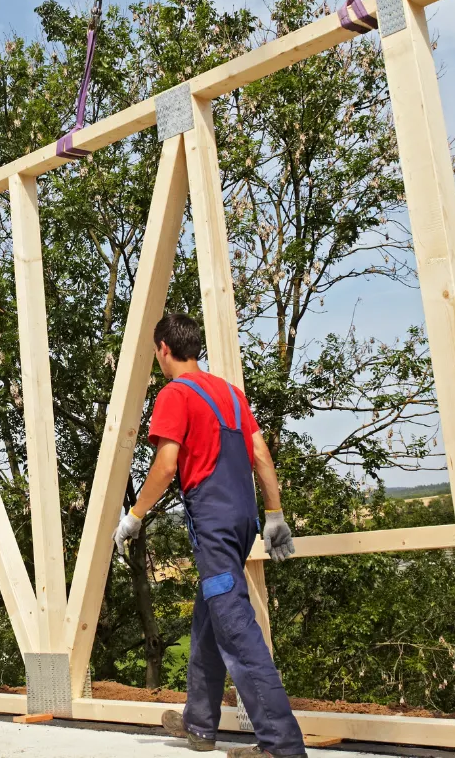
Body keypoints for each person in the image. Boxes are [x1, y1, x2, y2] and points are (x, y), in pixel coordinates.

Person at [113, 314, 306, 758]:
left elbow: (165, 466)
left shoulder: (174, 394)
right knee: (210, 615)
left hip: (214, 524)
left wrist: (135, 516)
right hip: (241, 521)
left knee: (236, 627)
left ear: (163, 348)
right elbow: (258, 453)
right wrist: (273, 514)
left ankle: (281, 744)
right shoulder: (231, 394)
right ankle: (200, 723)